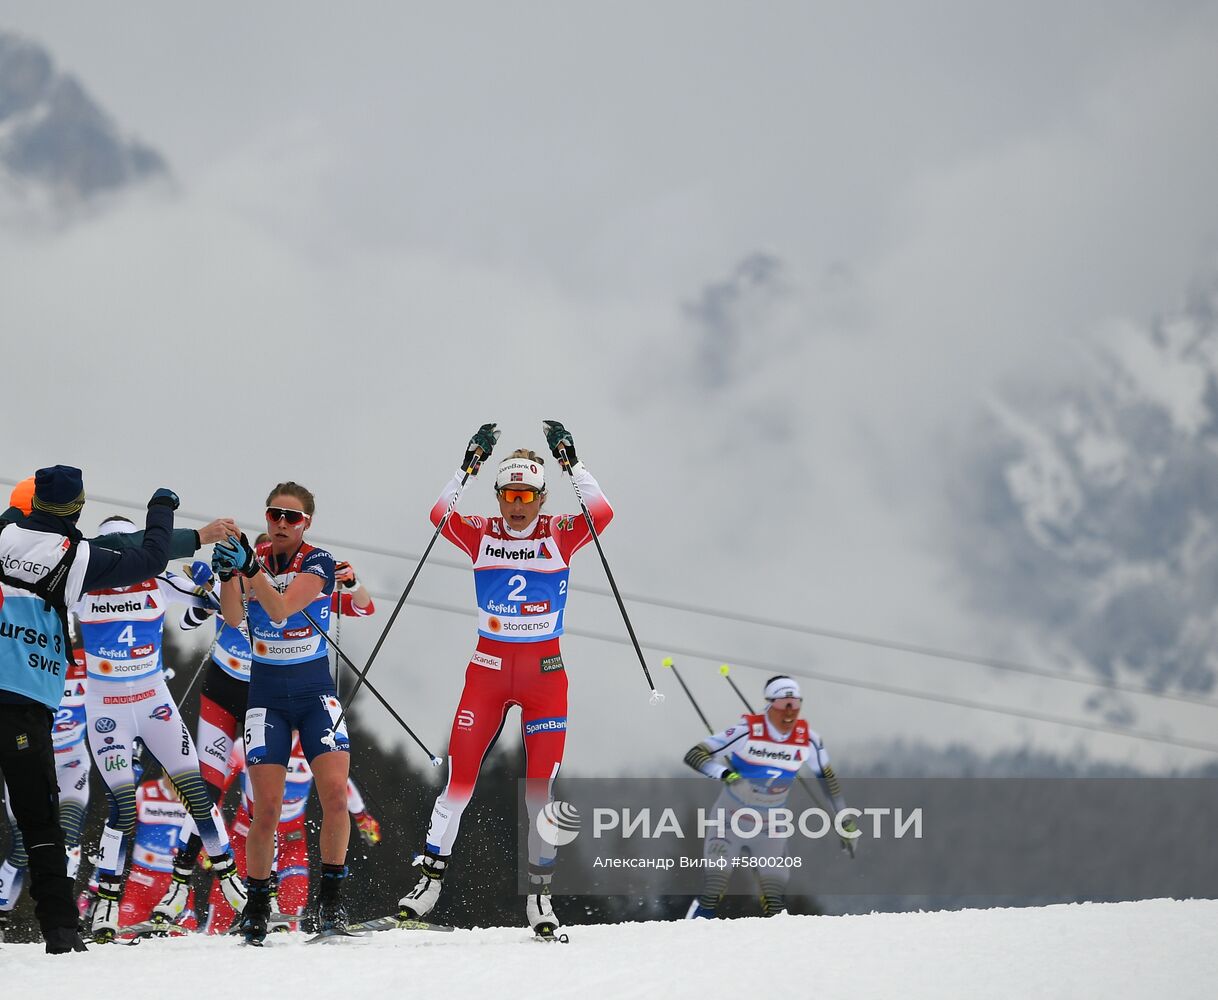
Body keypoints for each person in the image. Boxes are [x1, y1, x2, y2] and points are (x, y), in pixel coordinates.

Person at [397, 421, 612, 939]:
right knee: (459, 780)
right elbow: (437, 513)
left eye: (527, 497)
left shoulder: (560, 531)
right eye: (509, 495)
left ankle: (539, 897)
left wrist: (572, 463)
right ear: (498, 495)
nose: (517, 507)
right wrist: (466, 465)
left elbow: (603, 511)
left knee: (540, 790)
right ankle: (429, 882)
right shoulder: (480, 532)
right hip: (488, 675)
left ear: (541, 497)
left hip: (544, 678)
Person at [0, 466, 177, 953]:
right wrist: (161, 509)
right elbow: (151, 558)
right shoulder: (77, 557)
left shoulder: (3, 531)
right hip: (24, 700)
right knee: (41, 824)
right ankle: (60, 932)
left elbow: (17, 514)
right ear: (78, 509)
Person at [73, 515, 247, 942]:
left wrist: (210, 581)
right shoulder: (80, 583)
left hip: (154, 704)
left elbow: (202, 614)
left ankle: (236, 888)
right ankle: (106, 903)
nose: (121, 556)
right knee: (123, 806)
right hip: (107, 707)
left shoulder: (158, 576)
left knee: (196, 795)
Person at [214, 482, 350, 944]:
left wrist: (250, 569)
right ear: (266, 516)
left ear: (306, 523)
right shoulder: (251, 559)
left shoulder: (318, 562)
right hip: (266, 696)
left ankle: (330, 904)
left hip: (315, 695)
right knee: (265, 807)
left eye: (292, 518)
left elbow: (281, 609)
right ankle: (256, 907)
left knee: (334, 796)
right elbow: (233, 618)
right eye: (275, 514)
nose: (282, 524)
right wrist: (227, 575)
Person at [682, 676, 857, 918]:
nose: (789, 713)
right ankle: (688, 938)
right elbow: (695, 755)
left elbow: (827, 780)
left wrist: (844, 820)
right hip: (729, 820)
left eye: (795, 705)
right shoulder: (746, 732)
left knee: (774, 900)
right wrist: (726, 775)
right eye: (783, 705)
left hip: (770, 827)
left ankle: (774, 951)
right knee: (715, 887)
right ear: (770, 704)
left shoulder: (809, 740)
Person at [204, 735, 381, 934]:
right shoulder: (248, 743)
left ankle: (290, 955)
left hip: (291, 841)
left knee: (292, 908)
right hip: (247, 841)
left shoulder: (313, 741)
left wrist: (362, 817)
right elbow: (213, 792)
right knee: (220, 915)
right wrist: (213, 841)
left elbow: (341, 783)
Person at [0, 644, 91, 938]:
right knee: (22, 851)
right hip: (34, 755)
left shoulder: (89, 663)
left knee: (69, 836)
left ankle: (66, 916)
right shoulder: (30, 656)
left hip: (73, 762)